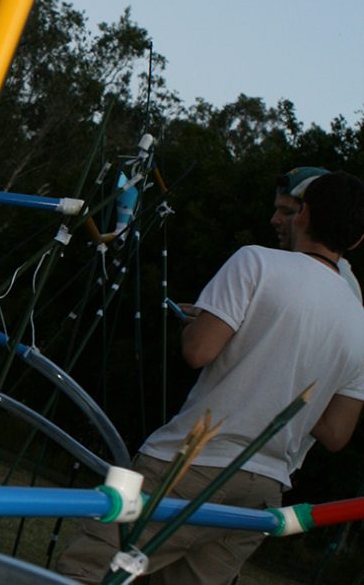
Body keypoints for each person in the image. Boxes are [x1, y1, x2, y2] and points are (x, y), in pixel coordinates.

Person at [56, 170, 364, 584]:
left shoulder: (256, 261)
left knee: (86, 573)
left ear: (302, 214)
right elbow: (335, 433)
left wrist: (200, 321)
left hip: (192, 463)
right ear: (356, 241)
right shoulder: (359, 321)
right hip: (262, 493)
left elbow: (199, 351)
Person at [272, 166, 362, 301]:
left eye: (288, 212)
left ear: (307, 213)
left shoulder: (342, 283)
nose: (274, 220)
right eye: (277, 210)